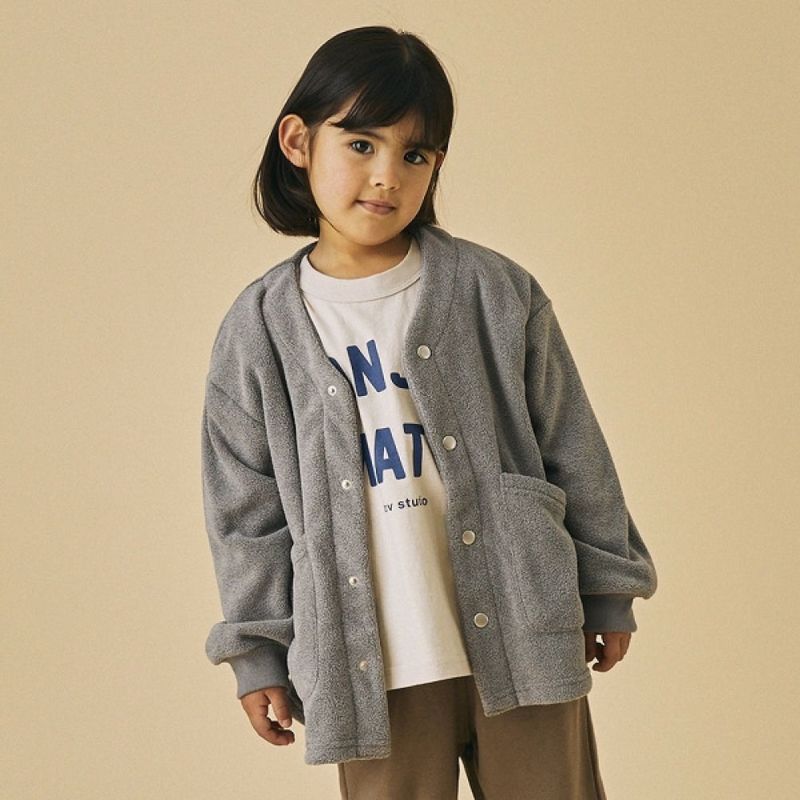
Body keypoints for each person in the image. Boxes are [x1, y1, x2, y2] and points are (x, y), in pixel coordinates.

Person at [200, 24, 657, 799]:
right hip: (369, 666)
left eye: (415, 155)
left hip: (523, 627)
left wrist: (608, 584)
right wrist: (256, 651)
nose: (387, 175)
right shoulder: (260, 329)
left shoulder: (494, 291)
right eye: (362, 144)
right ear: (298, 141)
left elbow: (572, 441)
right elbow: (246, 513)